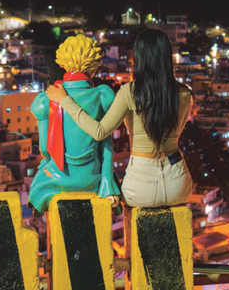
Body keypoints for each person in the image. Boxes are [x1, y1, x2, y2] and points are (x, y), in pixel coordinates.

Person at [47, 28, 193, 208]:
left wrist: (65, 100)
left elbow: (99, 132)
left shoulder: (130, 92)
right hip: (179, 185)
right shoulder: (185, 94)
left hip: (141, 185)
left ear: (139, 57)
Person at [27, 34, 121, 215]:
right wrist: (107, 183)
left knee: (41, 178)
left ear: (62, 63)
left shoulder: (44, 100)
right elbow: (106, 146)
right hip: (93, 180)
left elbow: (45, 149)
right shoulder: (103, 96)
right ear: (94, 65)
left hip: (58, 180)